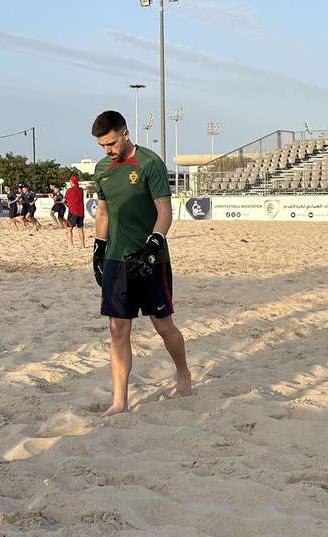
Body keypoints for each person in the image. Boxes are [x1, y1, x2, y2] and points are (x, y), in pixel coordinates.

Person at [90, 110, 191, 416]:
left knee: (163, 326)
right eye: (101, 146)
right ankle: (119, 401)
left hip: (150, 258)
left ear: (125, 133)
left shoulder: (149, 163)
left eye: (110, 143)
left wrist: (155, 242)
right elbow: (104, 212)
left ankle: (183, 373)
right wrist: (98, 248)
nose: (107, 150)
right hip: (116, 260)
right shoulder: (102, 169)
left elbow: (165, 210)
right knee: (118, 331)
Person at [65, 175, 86, 248]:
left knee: (69, 228)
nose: (69, 183)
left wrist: (66, 204)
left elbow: (65, 201)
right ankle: (83, 245)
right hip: (81, 212)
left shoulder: (69, 190)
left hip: (73, 212)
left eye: (70, 181)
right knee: (80, 228)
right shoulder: (81, 190)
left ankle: (71, 245)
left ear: (72, 182)